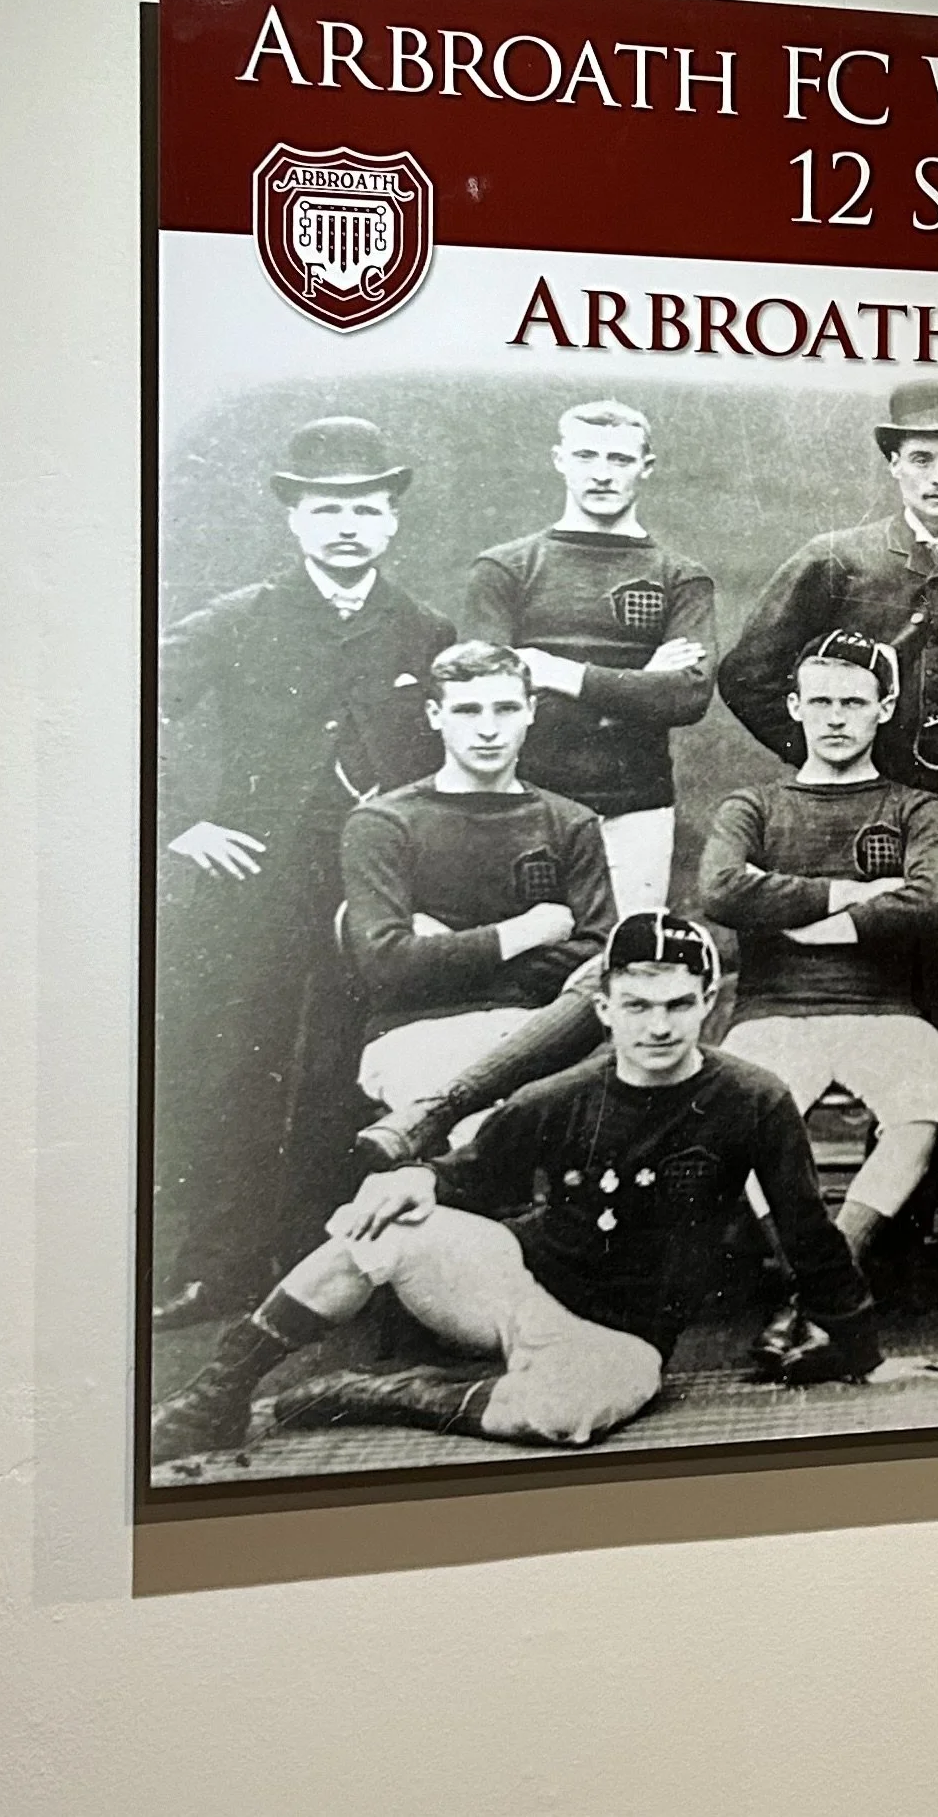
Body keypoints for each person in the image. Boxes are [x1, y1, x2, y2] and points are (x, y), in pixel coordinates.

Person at [149, 912, 880, 1468]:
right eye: (636, 1005)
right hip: (514, 1285)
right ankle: (214, 1393)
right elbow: (467, 1177)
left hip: (621, 1332)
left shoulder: (753, 1097)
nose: (658, 1026)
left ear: (709, 1001)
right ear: (602, 1006)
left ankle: (380, 1393)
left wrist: (857, 1342)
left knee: (566, 1415)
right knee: (383, 1223)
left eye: (678, 1005)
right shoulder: (556, 1095)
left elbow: (806, 1228)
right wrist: (412, 1176)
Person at [151, 415, 454, 1329]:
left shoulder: (423, 629)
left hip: (374, 891)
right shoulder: (240, 618)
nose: (348, 526)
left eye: (366, 507)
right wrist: (178, 822)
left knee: (349, 1069)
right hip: (251, 885)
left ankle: (331, 1267)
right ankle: (216, 1270)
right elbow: (120, 696)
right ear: (295, 519)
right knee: (232, 1067)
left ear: (393, 519)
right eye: (327, 509)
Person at [718, 381, 938, 1070]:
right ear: (893, 464)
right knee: (835, 974)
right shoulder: (836, 558)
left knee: (936, 983)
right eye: (921, 459)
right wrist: (824, 755)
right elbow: (746, 673)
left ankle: (915, 1156)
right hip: (855, 803)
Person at [698, 630, 938, 1277]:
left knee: (924, 1095)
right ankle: (816, 1278)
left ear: (885, 706)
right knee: (736, 1114)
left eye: (852, 701)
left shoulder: (913, 807)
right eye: (820, 702)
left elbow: (936, 897)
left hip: (882, 1012)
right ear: (794, 707)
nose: (836, 718)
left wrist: (827, 927)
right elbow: (721, 887)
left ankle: (824, 1275)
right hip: (773, 1015)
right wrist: (847, 894)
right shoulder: (754, 806)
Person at [336, 640, 616, 1147]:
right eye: (467, 710)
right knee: (486, 1140)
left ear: (530, 711)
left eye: (506, 709)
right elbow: (386, 965)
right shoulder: (384, 823)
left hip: (543, 1031)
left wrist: (445, 953)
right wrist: (525, 932)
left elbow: (598, 960)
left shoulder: (569, 822)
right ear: (434, 714)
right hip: (419, 1031)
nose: (488, 729)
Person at [460, 399, 715, 913]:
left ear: (647, 467)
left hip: (636, 808)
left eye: (619, 460)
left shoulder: (681, 577)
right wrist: (636, 686)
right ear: (559, 460)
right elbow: (485, 694)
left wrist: (552, 671)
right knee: (526, 958)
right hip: (522, 802)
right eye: (585, 456)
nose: (601, 474)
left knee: (626, 965)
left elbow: (686, 697)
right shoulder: (504, 568)